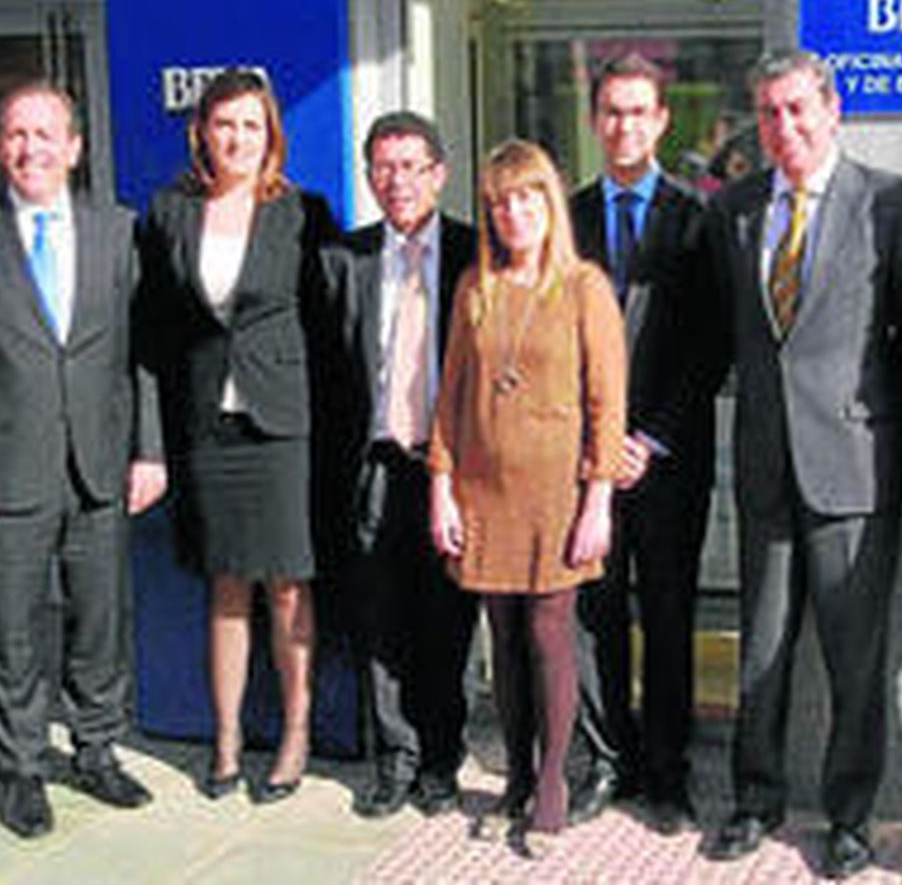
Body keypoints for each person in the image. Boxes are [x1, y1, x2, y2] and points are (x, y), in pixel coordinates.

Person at [681, 50, 902, 879]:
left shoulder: (891, 203)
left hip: (854, 472)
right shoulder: (738, 210)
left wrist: (866, 414)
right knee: (760, 648)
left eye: (797, 109)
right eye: (767, 113)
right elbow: (721, 335)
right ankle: (754, 800)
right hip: (762, 468)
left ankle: (851, 817)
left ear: (834, 109)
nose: (783, 128)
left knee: (855, 656)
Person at [0, 81, 166, 837]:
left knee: (101, 620)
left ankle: (96, 749)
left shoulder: (120, 230)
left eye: (45, 134)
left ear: (75, 146)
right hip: (5, 469)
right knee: (14, 630)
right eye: (16, 135)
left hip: (100, 464)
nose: (31, 148)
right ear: (1, 147)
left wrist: (149, 451)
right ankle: (22, 766)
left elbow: (144, 354)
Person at [135, 68, 334, 804]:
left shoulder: (302, 213)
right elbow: (151, 334)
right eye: (225, 124)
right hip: (206, 426)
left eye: (252, 125)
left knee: (286, 588)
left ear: (271, 132)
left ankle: (295, 734)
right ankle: (224, 740)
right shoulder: (167, 213)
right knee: (225, 586)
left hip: (282, 425)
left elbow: (327, 326)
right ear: (203, 132)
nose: (238, 138)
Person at [428, 139, 626, 847]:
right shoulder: (473, 289)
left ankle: (551, 785)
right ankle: (514, 777)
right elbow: (449, 399)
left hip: (557, 499)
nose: (514, 212)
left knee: (550, 637)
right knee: (503, 641)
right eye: (501, 201)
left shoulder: (584, 288)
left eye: (527, 196)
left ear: (549, 203)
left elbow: (608, 404)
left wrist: (599, 498)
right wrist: (441, 488)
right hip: (483, 493)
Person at [312, 111, 478, 818]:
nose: (398, 180)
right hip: (374, 469)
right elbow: (325, 376)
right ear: (369, 176)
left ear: (438, 173)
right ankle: (396, 756)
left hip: (454, 473)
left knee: (449, 622)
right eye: (383, 166)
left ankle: (442, 758)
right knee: (379, 621)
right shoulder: (340, 259)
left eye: (412, 165)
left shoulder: (479, 252)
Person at [564, 53, 711, 834]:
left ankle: (668, 771)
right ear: (595, 121)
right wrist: (593, 442)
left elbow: (709, 346)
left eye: (638, 111)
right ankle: (606, 761)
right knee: (595, 613)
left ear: (662, 121)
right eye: (610, 111)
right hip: (583, 461)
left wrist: (650, 437)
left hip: (667, 458)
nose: (624, 124)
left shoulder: (698, 218)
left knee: (668, 613)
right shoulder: (566, 214)